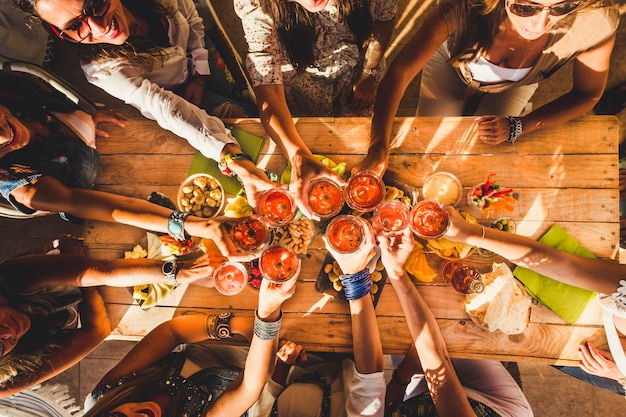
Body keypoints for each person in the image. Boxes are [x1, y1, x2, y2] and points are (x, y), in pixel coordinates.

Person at [14, 0, 275, 205]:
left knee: (247, 108)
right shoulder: (102, 69)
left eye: (95, 4)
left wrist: (200, 74)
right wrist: (233, 158)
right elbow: (165, 107)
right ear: (62, 34)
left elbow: (193, 20)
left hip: (202, 58)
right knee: (245, 121)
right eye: (75, 26)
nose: (98, 27)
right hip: (178, 95)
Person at [357, 0, 619, 176]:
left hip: (516, 87)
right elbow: (402, 71)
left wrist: (519, 125)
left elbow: (588, 93)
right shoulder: (467, 6)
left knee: (483, 157)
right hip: (450, 65)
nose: (539, 26)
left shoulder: (596, 23)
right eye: (526, 7)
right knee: (431, 140)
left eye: (562, 7)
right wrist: (379, 146)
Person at [0, 99, 259, 260]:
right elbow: (114, 208)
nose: (1, 136)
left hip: (128, 154)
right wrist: (202, 227)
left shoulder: (19, 96)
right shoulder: (28, 190)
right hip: (109, 211)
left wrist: (83, 120)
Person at [0, 234, 227, 398]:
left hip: (93, 261)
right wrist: (86, 286)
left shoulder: (12, 277)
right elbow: (98, 331)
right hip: (103, 294)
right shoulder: (5, 381)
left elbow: (106, 269)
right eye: (1, 347)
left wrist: (181, 272)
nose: (9, 332)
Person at [234, 0, 398, 218]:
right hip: (298, 88)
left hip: (357, 74)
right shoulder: (255, 4)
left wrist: (369, 71)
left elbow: (383, 18)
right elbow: (269, 87)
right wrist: (298, 156)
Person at [443, 206, 626, 396]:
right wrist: (470, 233)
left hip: (613, 370)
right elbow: (562, 265)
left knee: (544, 353)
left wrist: (620, 376)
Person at [81, 266, 297, 417]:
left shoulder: (103, 397)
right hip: (252, 390)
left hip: (211, 349)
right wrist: (267, 314)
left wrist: (235, 325)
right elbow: (248, 387)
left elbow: (172, 332)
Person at [377, 226, 533, 416]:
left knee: (398, 330)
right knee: (449, 328)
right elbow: (439, 361)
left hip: (423, 402)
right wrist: (397, 273)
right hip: (491, 401)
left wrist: (403, 374)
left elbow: (385, 408)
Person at [247, 217, 386, 416]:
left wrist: (283, 365)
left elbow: (267, 398)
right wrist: (355, 276)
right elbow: (370, 378)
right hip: (350, 362)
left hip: (298, 364)